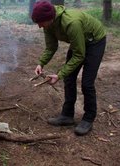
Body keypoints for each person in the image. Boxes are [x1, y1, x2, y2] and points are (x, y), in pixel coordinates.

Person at [31, 1, 106, 136]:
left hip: (95, 41)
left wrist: (59, 74)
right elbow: (51, 47)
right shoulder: (48, 26)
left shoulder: (71, 23)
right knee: (69, 79)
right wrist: (41, 63)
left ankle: (88, 118)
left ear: (50, 18)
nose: (39, 26)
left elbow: (79, 55)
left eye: (40, 22)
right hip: (79, 42)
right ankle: (67, 115)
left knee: (87, 83)